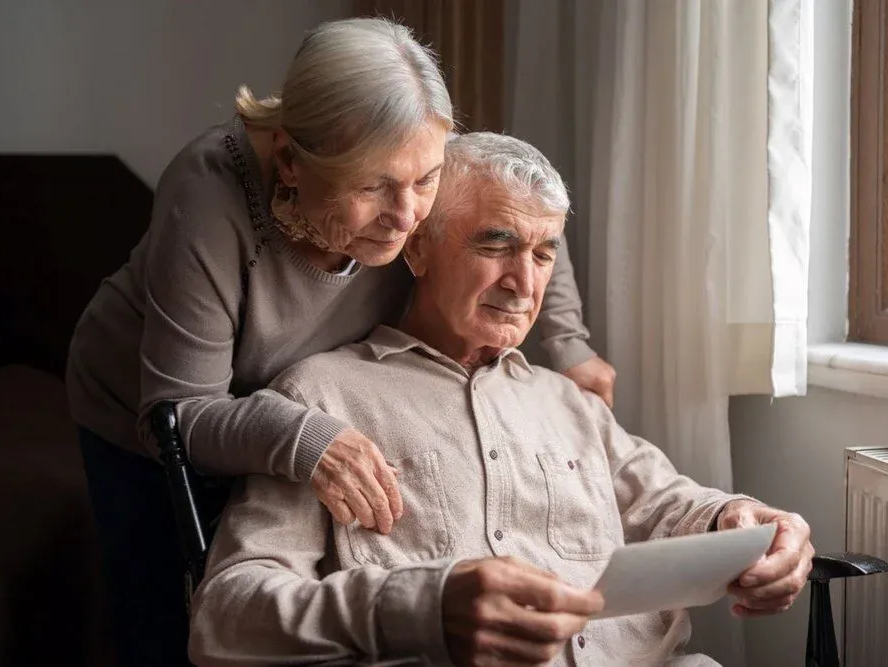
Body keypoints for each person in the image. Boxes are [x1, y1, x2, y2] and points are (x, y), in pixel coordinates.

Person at [65, 19, 614, 667]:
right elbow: (179, 416)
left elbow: (522, 208)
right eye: (374, 185)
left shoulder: (411, 143)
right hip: (149, 409)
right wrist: (307, 437)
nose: (408, 214)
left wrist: (570, 344)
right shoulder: (209, 190)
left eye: (425, 181)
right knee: (164, 615)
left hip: (289, 384)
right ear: (293, 161)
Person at [188, 132, 814, 667]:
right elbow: (225, 615)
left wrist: (745, 520)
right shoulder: (320, 399)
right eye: (494, 243)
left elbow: (670, 502)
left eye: (542, 254)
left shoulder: (569, 405)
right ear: (418, 246)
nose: (523, 283)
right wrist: (420, 608)